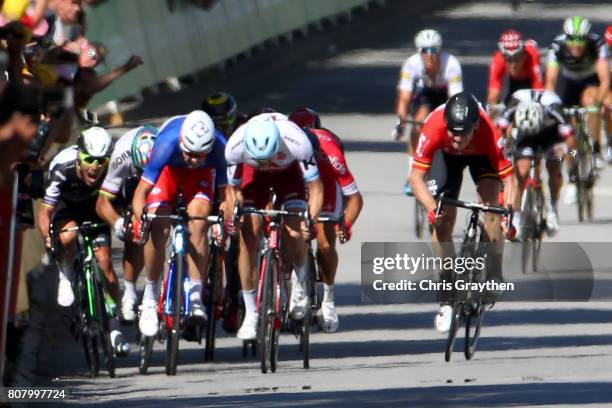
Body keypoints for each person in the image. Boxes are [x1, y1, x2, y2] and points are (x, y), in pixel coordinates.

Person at [409, 92, 514, 333]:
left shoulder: (489, 132)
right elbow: (416, 179)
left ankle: (494, 272)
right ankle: (446, 297)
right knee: (442, 222)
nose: (456, 138)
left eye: (462, 132)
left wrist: (508, 214)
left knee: (492, 206)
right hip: (445, 159)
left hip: (481, 156)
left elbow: (510, 181)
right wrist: (433, 209)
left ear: (475, 126)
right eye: (452, 131)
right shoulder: (434, 126)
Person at [131, 110, 232, 338]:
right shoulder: (166, 144)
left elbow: (227, 196)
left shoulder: (219, 148)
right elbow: (140, 193)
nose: (194, 160)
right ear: (181, 142)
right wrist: (141, 220)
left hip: (200, 179)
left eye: (200, 155)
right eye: (190, 154)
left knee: (199, 221)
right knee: (158, 223)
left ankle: (195, 296)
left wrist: (224, 220)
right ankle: (149, 298)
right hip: (168, 173)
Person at [225, 112, 323, 340]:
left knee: (294, 225)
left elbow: (316, 190)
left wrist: (311, 218)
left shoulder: (297, 141)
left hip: (289, 175)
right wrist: (235, 214)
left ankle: (299, 280)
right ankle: (251, 312)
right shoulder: (235, 146)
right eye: (261, 159)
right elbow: (232, 191)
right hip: (254, 179)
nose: (266, 164)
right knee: (248, 235)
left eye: (268, 157)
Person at [37, 126, 130, 354]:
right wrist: (48, 237)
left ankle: (114, 323)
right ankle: (66, 276)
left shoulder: (111, 170)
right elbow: (44, 211)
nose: (95, 167)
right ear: (79, 156)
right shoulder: (62, 168)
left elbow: (121, 204)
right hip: (67, 208)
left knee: (105, 263)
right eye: (89, 159)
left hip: (95, 209)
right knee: (67, 238)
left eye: (101, 161)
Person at [289, 108, 363, 332]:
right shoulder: (286, 146)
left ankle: (328, 300)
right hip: (297, 184)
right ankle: (289, 287)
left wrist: (346, 224)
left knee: (325, 244)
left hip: (327, 185)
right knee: (290, 233)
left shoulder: (330, 152)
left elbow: (355, 198)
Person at [95, 125, 158, 322]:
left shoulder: (164, 153)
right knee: (135, 227)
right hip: (127, 179)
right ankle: (129, 294)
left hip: (158, 176)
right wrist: (119, 223)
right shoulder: (121, 156)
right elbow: (102, 202)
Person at [393, 29, 463, 195]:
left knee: (447, 128)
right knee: (418, 123)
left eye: (434, 50)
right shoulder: (411, 64)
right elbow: (404, 98)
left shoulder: (451, 64)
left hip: (445, 97)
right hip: (424, 95)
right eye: (425, 51)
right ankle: (412, 172)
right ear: (419, 52)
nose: (430, 55)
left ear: (440, 51)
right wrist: (400, 121)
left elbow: (455, 99)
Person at [497, 89, 575, 236]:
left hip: (550, 133)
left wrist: (564, 149)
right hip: (524, 133)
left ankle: (552, 207)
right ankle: (517, 217)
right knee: (522, 170)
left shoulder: (554, 106)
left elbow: (570, 136)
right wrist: (503, 144)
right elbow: (499, 129)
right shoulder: (515, 102)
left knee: (553, 166)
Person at [545, 16, 610, 167]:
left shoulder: (597, 45)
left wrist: (597, 105)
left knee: (591, 102)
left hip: (591, 81)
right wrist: (551, 106)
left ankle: (596, 147)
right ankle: (573, 174)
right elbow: (551, 81)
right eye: (571, 40)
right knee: (570, 130)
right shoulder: (557, 46)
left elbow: (605, 79)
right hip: (569, 84)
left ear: (587, 38)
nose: (576, 44)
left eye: (580, 40)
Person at [487, 29, 543, 108]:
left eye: (516, 58)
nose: (513, 64)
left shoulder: (532, 55)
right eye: (508, 60)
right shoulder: (498, 59)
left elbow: (539, 90)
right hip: (514, 83)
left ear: (524, 55)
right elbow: (492, 97)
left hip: (531, 81)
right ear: (503, 56)